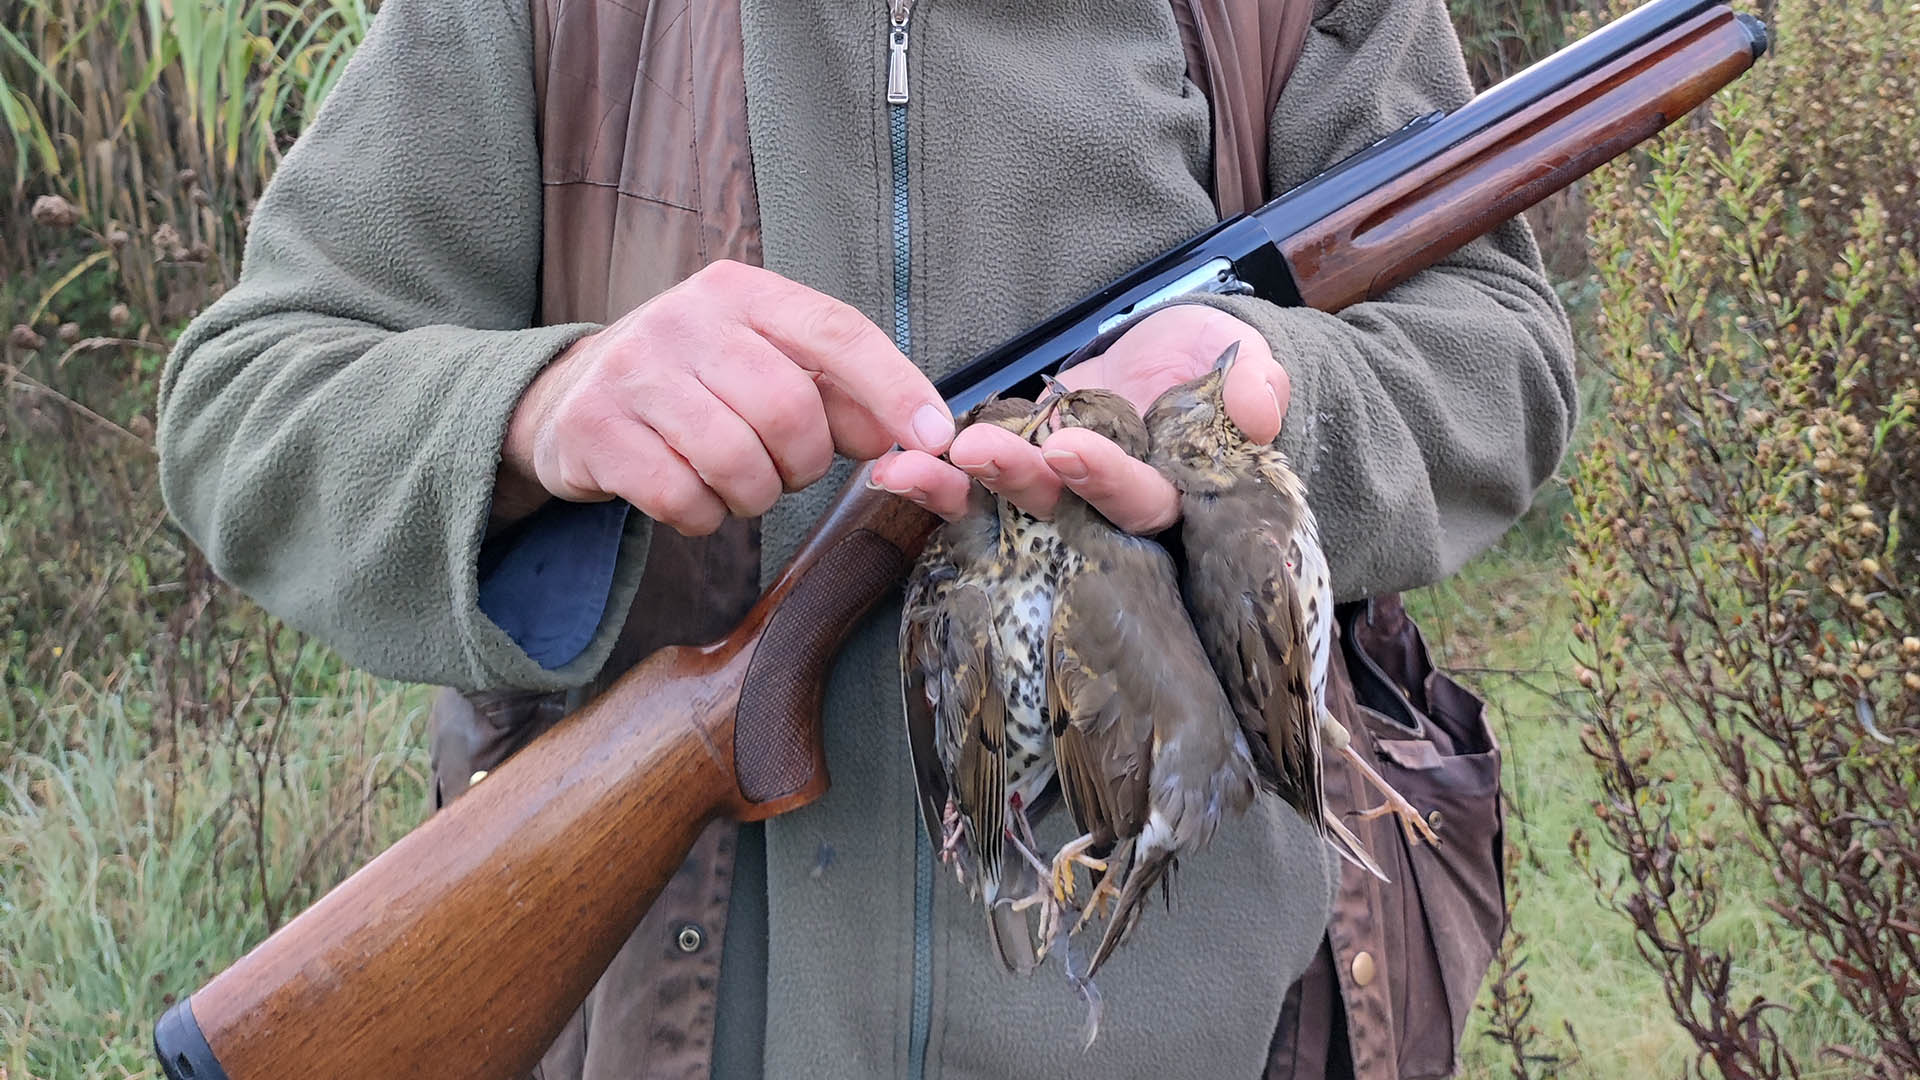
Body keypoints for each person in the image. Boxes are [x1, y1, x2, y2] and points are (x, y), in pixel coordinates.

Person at [156, 0, 1577, 1075]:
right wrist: (539, 408)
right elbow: (251, 404)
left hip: (1217, 1022)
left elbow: (1496, 357)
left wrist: (1262, 417)